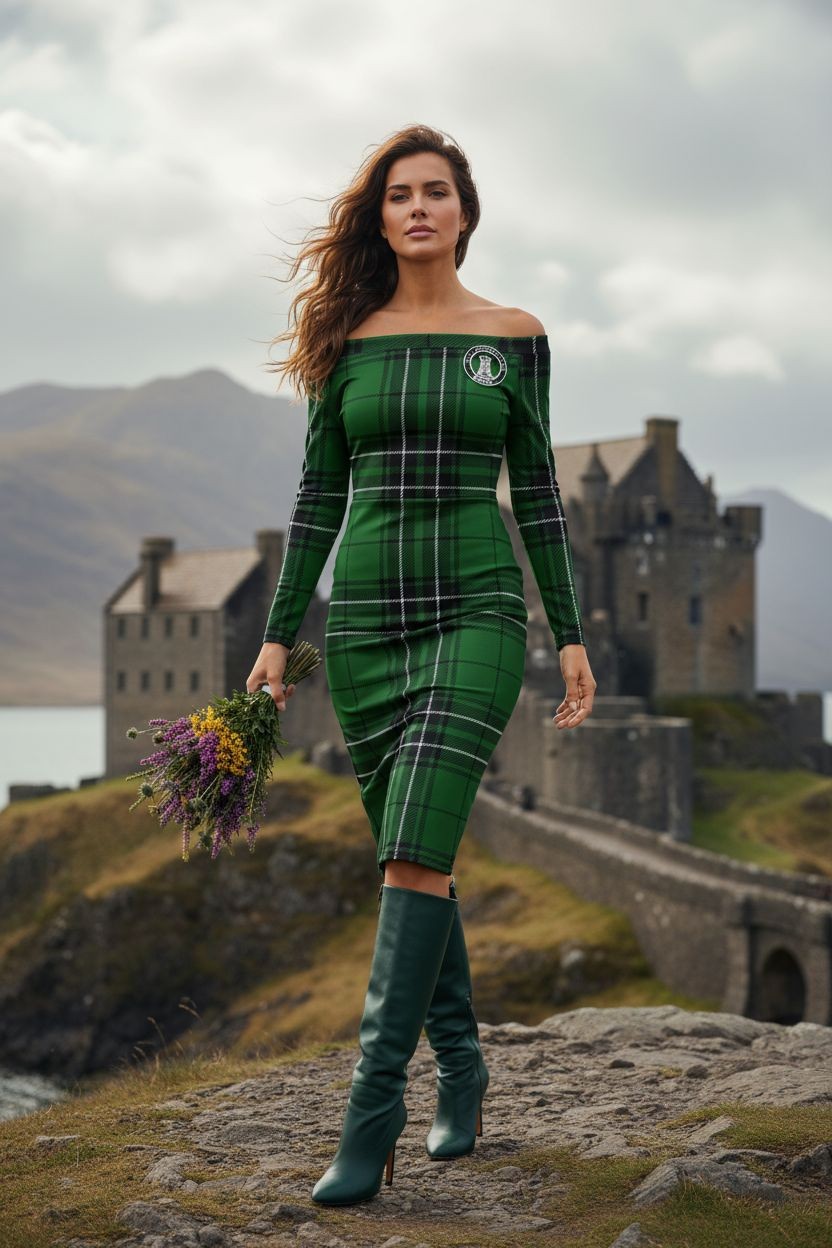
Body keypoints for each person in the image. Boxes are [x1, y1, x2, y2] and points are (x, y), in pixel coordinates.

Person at [246, 123, 596, 1206]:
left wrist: (569, 630)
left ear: (464, 211)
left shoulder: (514, 337)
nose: (417, 208)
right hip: (365, 626)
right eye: (399, 194)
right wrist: (279, 629)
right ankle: (466, 1068)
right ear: (381, 217)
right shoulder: (345, 341)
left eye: (435, 191)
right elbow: (318, 495)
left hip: (478, 611)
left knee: (409, 856)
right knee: (418, 856)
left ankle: (371, 1112)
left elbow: (537, 489)